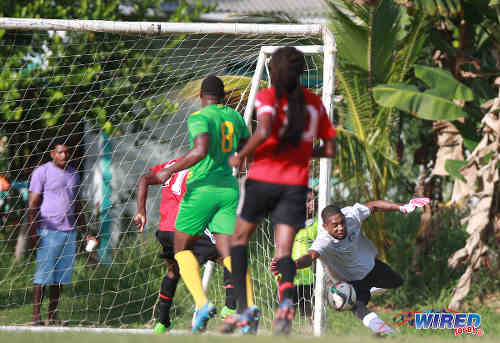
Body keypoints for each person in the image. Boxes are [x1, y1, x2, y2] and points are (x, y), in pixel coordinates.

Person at [223, 46, 337, 335]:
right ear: (301, 73)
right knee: (283, 251)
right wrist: (302, 155)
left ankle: (243, 311)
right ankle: (285, 302)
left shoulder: (267, 97)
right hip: (295, 184)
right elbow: (331, 148)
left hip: (263, 180)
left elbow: (263, 130)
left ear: (272, 71)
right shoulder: (315, 104)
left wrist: (241, 156)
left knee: (238, 240)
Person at [152, 75, 250, 333]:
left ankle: (202, 303)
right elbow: (245, 147)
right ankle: (248, 308)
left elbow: (200, 150)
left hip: (203, 190)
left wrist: (169, 170)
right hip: (228, 189)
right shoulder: (234, 117)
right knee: (229, 252)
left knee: (181, 248)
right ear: (224, 95)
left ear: (201, 96)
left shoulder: (200, 117)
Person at [293, 198, 430, 336]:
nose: (340, 228)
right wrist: (294, 265)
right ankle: (386, 333)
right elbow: (310, 256)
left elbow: (374, 205)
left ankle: (368, 291)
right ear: (325, 227)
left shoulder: (351, 215)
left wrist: (402, 207)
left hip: (371, 267)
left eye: (342, 223)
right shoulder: (323, 241)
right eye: (335, 225)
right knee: (356, 306)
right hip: (350, 281)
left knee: (397, 281)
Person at [133, 157, 237, 333]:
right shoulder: (204, 164)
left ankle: (163, 321)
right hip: (185, 226)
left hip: (165, 230)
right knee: (228, 255)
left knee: (173, 271)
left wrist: (141, 212)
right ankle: (229, 307)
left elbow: (144, 179)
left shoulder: (168, 165)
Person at [27, 139, 87, 326]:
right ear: (52, 154)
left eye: (67, 153)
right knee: (43, 275)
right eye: (60, 152)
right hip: (47, 230)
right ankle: (36, 318)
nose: (64, 156)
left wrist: (86, 232)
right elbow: (33, 204)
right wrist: (32, 231)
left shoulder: (74, 174)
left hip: (69, 231)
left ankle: (52, 316)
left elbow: (77, 205)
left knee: (60, 278)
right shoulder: (42, 172)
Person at [272, 188, 317, 319]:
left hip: (309, 280)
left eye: (313, 201)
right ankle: (281, 335)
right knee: (285, 312)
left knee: (310, 315)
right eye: (307, 201)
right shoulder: (287, 225)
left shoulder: (319, 226)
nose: (311, 204)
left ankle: (314, 336)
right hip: (287, 277)